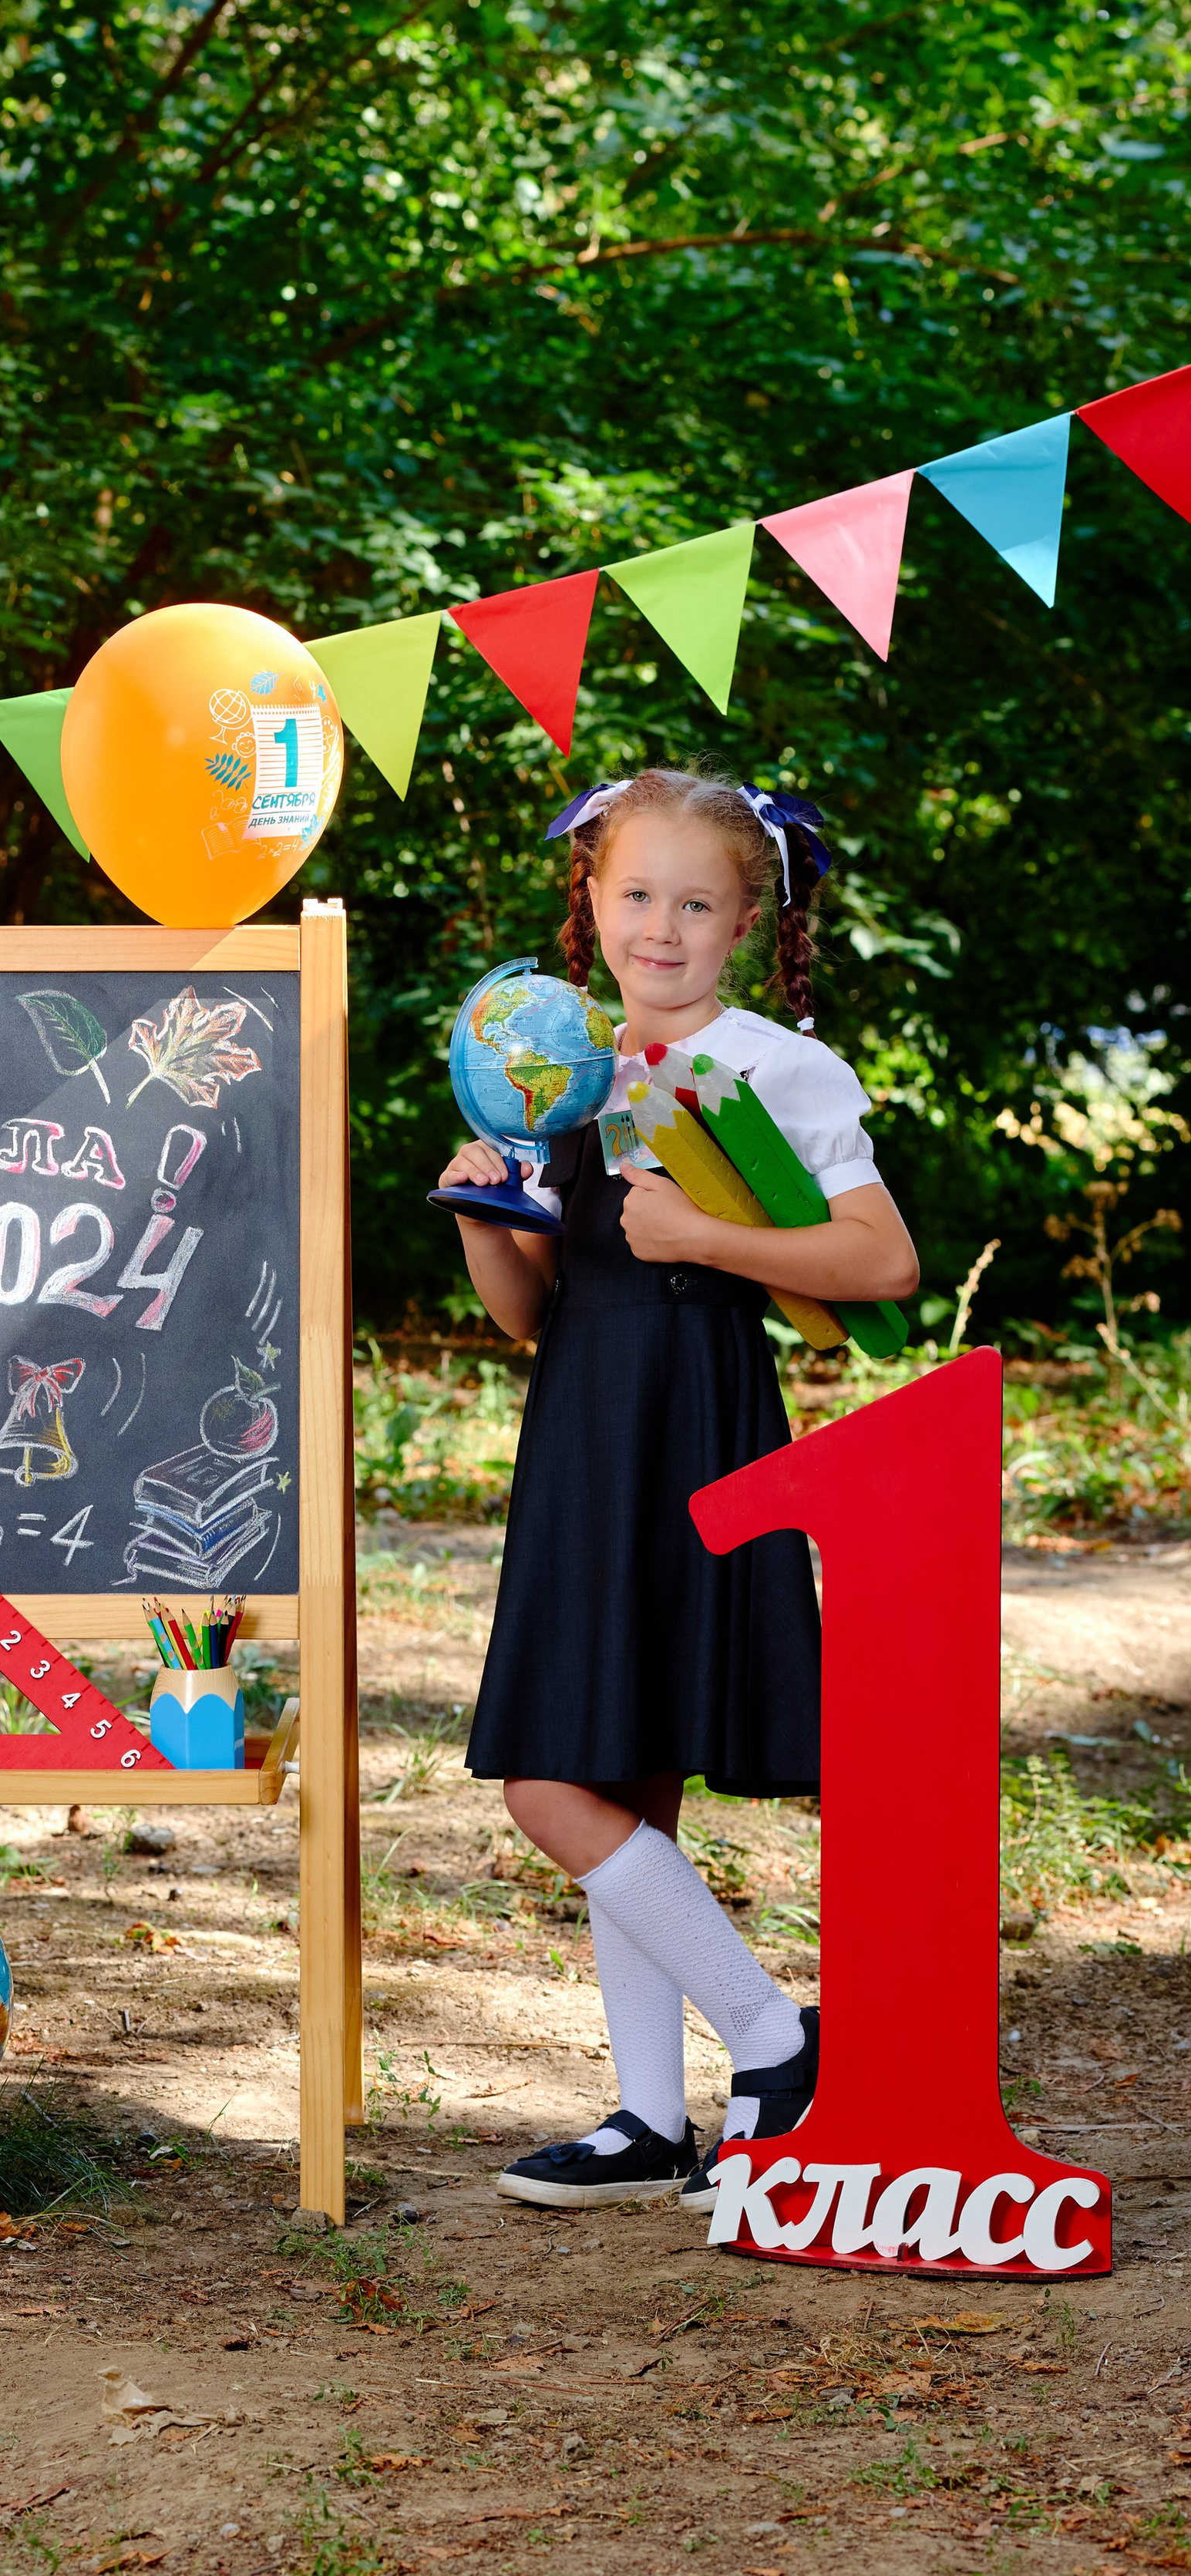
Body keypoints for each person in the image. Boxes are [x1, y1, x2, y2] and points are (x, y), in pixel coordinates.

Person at [440, 768, 919, 2214]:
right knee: (608, 1765)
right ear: (590, 902)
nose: (663, 926)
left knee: (547, 1786)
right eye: (636, 894)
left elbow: (882, 1268)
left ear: (745, 921)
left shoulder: (777, 1068)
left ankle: (775, 2037)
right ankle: (652, 2118)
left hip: (700, 1420)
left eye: (696, 903)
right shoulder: (549, 1061)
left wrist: (705, 1232)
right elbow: (528, 1310)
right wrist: (483, 1213)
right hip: (584, 1423)